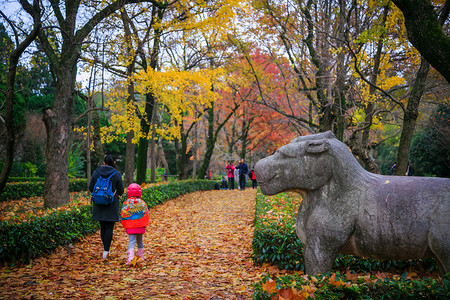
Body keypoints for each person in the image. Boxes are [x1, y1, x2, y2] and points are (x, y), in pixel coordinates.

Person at [89, 155, 124, 259]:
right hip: (111, 203)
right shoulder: (116, 174)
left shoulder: (96, 172)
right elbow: (121, 190)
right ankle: (106, 251)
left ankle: (105, 249)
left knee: (102, 226)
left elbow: (91, 187)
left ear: (104, 162)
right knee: (109, 227)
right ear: (114, 162)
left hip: (99, 203)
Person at [120, 183, 149, 265]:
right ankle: (141, 257)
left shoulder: (126, 203)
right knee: (140, 241)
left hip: (130, 226)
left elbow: (123, 215)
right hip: (140, 225)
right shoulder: (142, 203)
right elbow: (146, 214)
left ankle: (131, 258)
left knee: (131, 241)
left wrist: (125, 224)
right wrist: (144, 224)